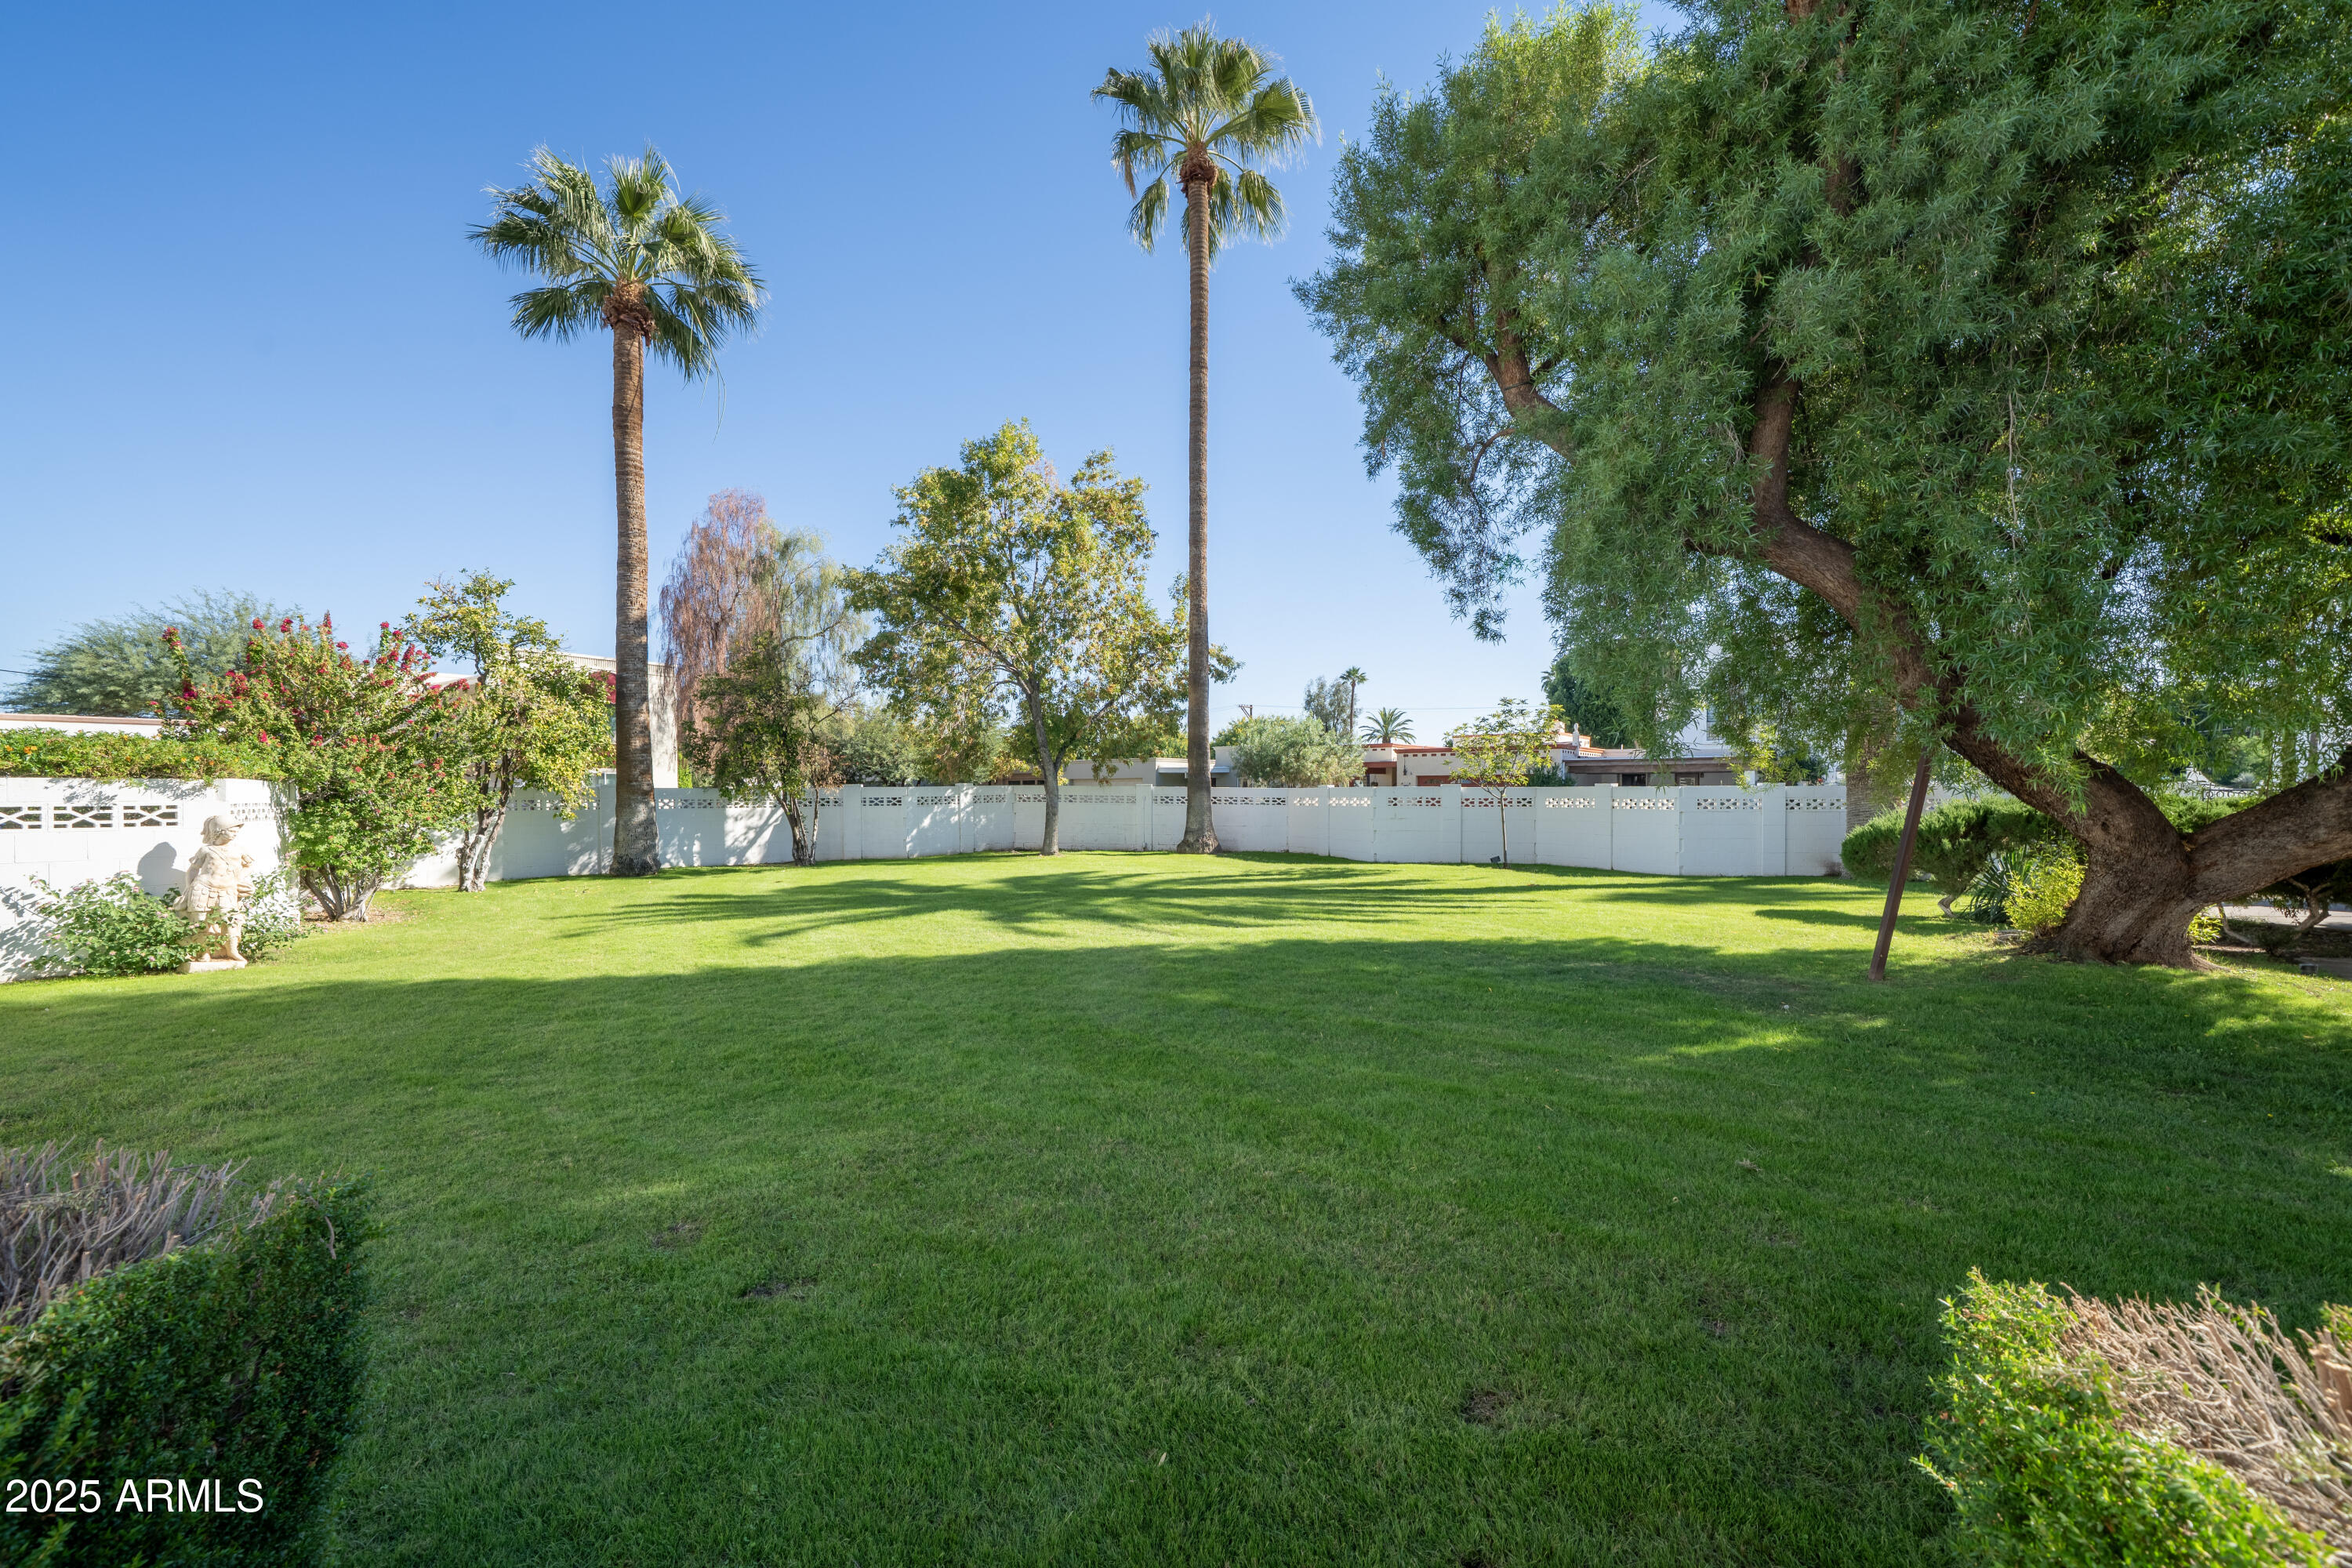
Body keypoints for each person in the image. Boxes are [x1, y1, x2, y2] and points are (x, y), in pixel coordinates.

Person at [183, 813, 255, 964]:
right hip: (203, 888)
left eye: (237, 832)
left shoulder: (239, 850)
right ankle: (204, 953)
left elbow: (249, 866)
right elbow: (193, 870)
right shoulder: (206, 850)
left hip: (227, 890)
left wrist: (239, 879)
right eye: (232, 831)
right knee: (202, 922)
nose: (235, 834)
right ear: (220, 830)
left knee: (231, 921)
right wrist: (188, 889)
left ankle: (232, 950)